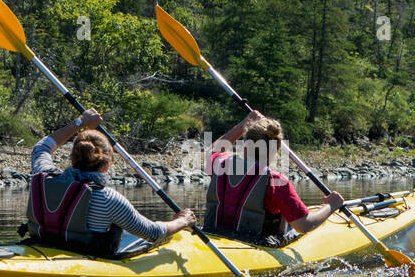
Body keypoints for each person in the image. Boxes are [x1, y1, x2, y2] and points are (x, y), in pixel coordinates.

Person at [27, 108, 195, 257]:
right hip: (85, 261)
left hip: (41, 247)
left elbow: (41, 148)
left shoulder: (44, 177)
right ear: (107, 166)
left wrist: (80, 123)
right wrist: (183, 221)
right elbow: (152, 232)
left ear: (71, 159)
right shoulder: (107, 198)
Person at [204, 110, 344, 243]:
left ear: (245, 146)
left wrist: (244, 124)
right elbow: (304, 225)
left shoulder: (219, 165)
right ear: (275, 152)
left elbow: (213, 150)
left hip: (214, 234)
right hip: (256, 247)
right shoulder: (276, 182)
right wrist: (331, 205)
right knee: (290, 228)